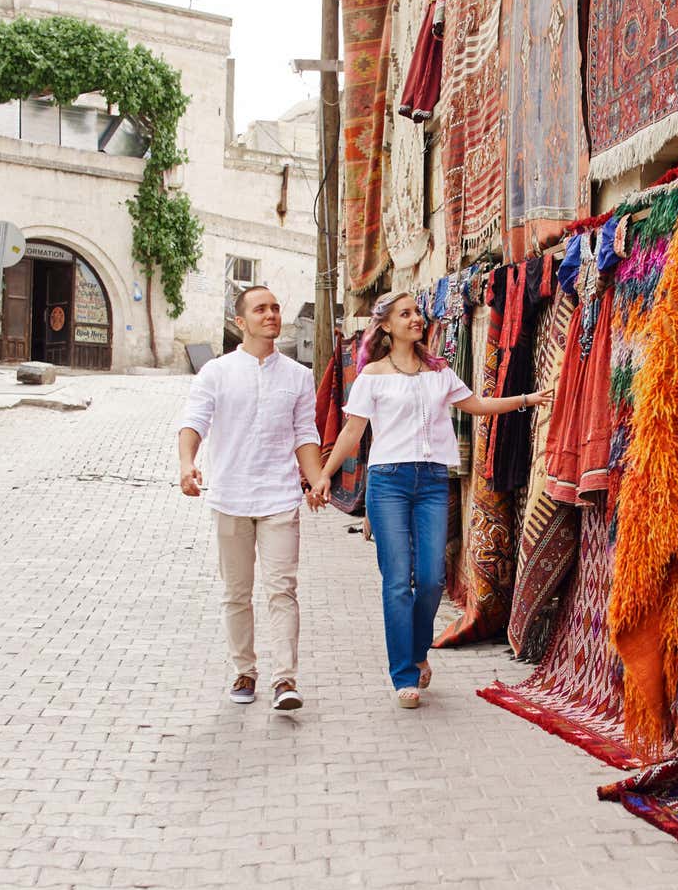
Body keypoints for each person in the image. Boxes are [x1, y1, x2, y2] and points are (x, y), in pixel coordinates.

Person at [309, 290, 550, 708]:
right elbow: (352, 433)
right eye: (405, 314)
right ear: (386, 325)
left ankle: (418, 650)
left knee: (433, 578)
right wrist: (323, 477)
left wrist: (526, 400)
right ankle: (404, 673)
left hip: (433, 481)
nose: (416, 319)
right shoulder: (372, 377)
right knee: (398, 581)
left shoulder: (439, 370)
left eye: (417, 312)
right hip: (389, 483)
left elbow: (476, 404)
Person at [178, 285, 325, 711]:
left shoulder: (298, 376)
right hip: (229, 497)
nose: (272, 315)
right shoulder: (216, 373)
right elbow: (194, 423)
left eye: (276, 308)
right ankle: (244, 669)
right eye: (261, 309)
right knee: (237, 593)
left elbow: (305, 434)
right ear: (240, 322)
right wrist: (187, 464)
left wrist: (315, 479)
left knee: (283, 590)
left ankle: (285, 680)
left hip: (280, 498)